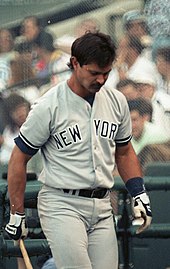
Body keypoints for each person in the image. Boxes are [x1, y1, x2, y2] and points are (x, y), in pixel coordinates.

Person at [5, 32, 152, 269]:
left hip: (103, 205)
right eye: (94, 73)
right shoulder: (48, 105)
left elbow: (124, 152)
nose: (101, 80)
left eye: (106, 73)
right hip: (62, 203)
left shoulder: (116, 101)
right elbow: (18, 158)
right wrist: (17, 212)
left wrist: (139, 193)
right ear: (75, 63)